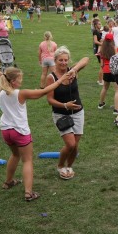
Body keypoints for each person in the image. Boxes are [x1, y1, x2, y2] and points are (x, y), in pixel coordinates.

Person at [0, 67, 71, 201]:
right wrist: (60, 79)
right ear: (13, 81)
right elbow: (43, 92)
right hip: (19, 131)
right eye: (20, 78)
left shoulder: (2, 93)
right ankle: (28, 193)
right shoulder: (21, 93)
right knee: (27, 160)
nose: (21, 80)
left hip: (6, 130)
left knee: (15, 155)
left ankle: (8, 181)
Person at [46, 47, 89, 180]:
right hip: (61, 114)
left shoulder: (72, 71)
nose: (63, 63)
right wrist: (65, 105)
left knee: (75, 146)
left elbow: (86, 59)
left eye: (66, 60)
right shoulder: (51, 77)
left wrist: (75, 69)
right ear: (55, 61)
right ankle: (60, 166)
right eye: (60, 60)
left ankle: (69, 166)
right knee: (70, 144)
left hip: (78, 112)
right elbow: (50, 100)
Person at [98, 33, 118, 113]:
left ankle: (100, 104)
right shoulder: (115, 48)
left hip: (106, 70)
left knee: (105, 87)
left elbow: (101, 64)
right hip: (114, 70)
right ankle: (116, 109)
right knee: (117, 90)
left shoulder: (102, 49)